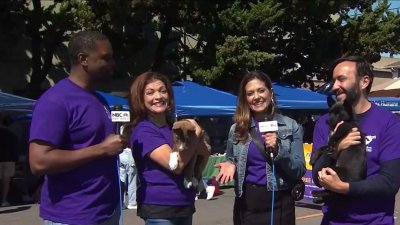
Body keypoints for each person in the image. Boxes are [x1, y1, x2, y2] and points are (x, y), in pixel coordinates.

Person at [29, 31, 125, 225]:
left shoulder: (100, 100)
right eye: (106, 58)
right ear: (83, 59)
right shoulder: (55, 100)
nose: (112, 63)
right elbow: (39, 162)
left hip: (106, 213)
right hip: (72, 216)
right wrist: (102, 149)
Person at [311, 55, 400, 225]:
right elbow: (316, 176)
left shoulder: (390, 123)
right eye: (333, 80)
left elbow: (390, 183)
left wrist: (344, 188)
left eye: (341, 79)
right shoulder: (325, 122)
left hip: (375, 221)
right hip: (332, 220)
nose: (335, 86)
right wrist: (335, 150)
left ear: (364, 81)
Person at [215, 70, 306, 225]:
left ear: (270, 93)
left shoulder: (291, 126)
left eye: (261, 90)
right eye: (250, 93)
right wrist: (230, 164)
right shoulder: (236, 129)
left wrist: (279, 150)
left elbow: (299, 169)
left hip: (280, 203)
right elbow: (231, 159)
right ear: (245, 98)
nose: (256, 97)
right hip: (247, 203)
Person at [124, 71, 205, 225]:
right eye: (150, 92)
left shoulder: (171, 127)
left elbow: (202, 153)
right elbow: (175, 165)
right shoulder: (144, 130)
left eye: (162, 90)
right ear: (140, 98)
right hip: (160, 209)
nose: (158, 96)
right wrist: (196, 134)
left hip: (184, 204)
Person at [0, 115, 18, 207]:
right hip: (9, 160)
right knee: (6, 181)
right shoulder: (12, 135)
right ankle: (4, 200)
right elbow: (15, 149)